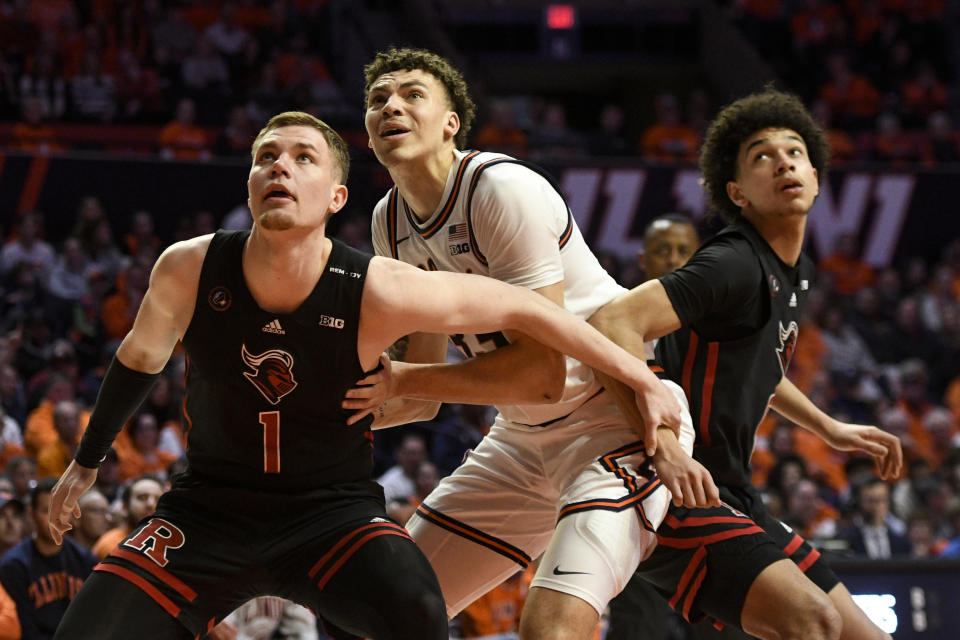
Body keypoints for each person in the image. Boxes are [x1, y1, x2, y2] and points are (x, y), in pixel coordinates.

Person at [47, 111, 692, 640]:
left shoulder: (375, 287)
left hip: (331, 518)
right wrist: (86, 460)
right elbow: (137, 359)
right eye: (266, 156)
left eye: (303, 158)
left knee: (417, 610)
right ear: (248, 185)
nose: (279, 166)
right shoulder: (189, 267)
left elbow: (528, 310)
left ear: (336, 196)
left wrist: (641, 379)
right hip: (206, 513)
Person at [359, 47, 713, 639]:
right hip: (522, 441)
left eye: (412, 94)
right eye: (377, 99)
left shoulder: (500, 188)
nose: (390, 105)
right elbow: (418, 394)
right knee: (384, 617)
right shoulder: (388, 222)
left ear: (452, 123)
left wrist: (403, 379)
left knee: (550, 629)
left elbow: (543, 375)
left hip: (619, 423)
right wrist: (322, 408)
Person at [590, 90, 903, 640]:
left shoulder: (793, 267)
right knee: (813, 623)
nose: (783, 161)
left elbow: (758, 366)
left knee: (865, 635)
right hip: (670, 490)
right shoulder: (732, 262)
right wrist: (663, 446)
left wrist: (829, 427)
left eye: (795, 151)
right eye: (762, 155)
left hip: (730, 492)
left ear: (815, 175)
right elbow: (614, 322)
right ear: (736, 192)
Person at [606, 213, 701, 640]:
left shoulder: (714, 327)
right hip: (639, 487)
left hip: (703, 487)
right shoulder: (620, 321)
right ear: (643, 260)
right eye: (664, 250)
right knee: (640, 625)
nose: (675, 260)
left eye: (685, 251)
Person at [0, 478, 97, 640]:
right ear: (32, 514)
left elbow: (96, 618)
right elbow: (25, 631)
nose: (56, 520)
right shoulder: (14, 565)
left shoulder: (86, 559)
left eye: (63, 511)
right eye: (47, 511)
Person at [90, 475, 163, 559]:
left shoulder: (172, 544)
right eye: (142, 498)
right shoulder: (112, 545)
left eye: (158, 499)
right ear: (124, 507)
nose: (151, 504)